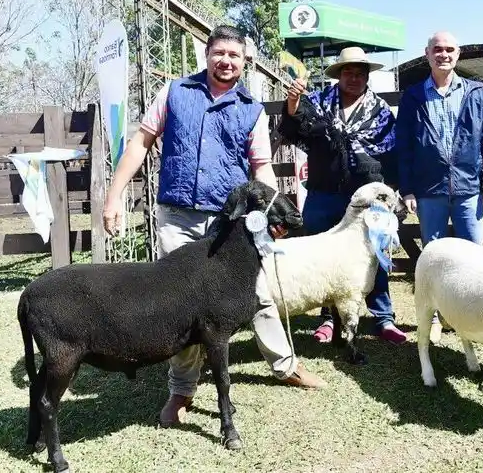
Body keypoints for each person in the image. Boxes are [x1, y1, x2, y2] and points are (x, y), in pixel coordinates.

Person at [102, 25, 326, 428]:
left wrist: (273, 214)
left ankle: (285, 365)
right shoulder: (174, 93)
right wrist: (114, 195)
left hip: (233, 222)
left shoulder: (252, 108)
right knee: (179, 302)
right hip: (179, 214)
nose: (226, 61)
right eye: (219, 53)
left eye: (234, 55)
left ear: (245, 62)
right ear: (206, 55)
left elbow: (260, 168)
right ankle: (182, 389)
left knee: (257, 294)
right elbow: (140, 142)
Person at [279, 46, 407, 345]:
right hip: (324, 191)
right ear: (338, 75)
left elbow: (391, 154)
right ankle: (328, 318)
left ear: (367, 77)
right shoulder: (319, 103)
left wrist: (392, 192)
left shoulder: (380, 112)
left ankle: (383, 318)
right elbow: (292, 128)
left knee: (374, 254)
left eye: (360, 73)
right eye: (348, 72)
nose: (354, 78)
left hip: (366, 198)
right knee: (322, 256)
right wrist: (294, 100)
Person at [395, 31, 483, 343]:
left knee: (475, 255)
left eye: (450, 49)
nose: (444, 54)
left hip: (469, 188)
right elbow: (404, 147)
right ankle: (440, 317)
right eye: (437, 49)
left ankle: (477, 317)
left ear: (459, 54)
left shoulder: (475, 92)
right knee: (435, 257)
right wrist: (408, 189)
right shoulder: (413, 96)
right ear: (427, 54)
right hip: (429, 191)